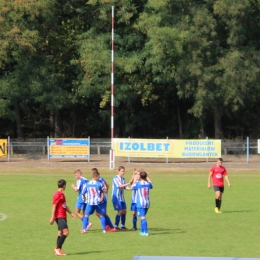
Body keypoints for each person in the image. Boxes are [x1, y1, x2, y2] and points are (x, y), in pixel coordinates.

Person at [50, 179, 76, 256]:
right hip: (59, 216)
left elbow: (64, 205)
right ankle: (57, 248)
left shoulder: (62, 194)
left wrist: (71, 213)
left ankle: (58, 250)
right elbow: (54, 206)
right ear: (64, 186)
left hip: (63, 216)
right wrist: (52, 218)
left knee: (60, 233)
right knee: (66, 232)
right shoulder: (57, 195)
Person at [92, 168, 116, 232]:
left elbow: (105, 186)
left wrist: (105, 192)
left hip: (102, 198)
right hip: (102, 198)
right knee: (102, 213)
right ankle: (109, 226)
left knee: (100, 213)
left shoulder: (99, 180)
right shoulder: (100, 179)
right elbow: (107, 185)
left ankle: (110, 226)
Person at [131, 171, 153, 236]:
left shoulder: (138, 184)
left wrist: (134, 180)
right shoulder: (148, 184)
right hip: (147, 203)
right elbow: (152, 184)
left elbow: (132, 187)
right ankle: (142, 231)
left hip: (140, 203)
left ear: (140, 176)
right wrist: (148, 177)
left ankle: (146, 232)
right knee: (142, 216)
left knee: (143, 217)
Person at [112, 166, 131, 231]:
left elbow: (126, 187)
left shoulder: (123, 179)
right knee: (120, 211)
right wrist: (128, 183)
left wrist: (132, 188)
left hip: (122, 198)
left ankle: (123, 226)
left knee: (124, 211)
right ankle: (116, 226)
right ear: (118, 171)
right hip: (116, 198)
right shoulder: (115, 178)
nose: (123, 172)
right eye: (122, 171)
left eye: (124, 171)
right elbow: (120, 186)